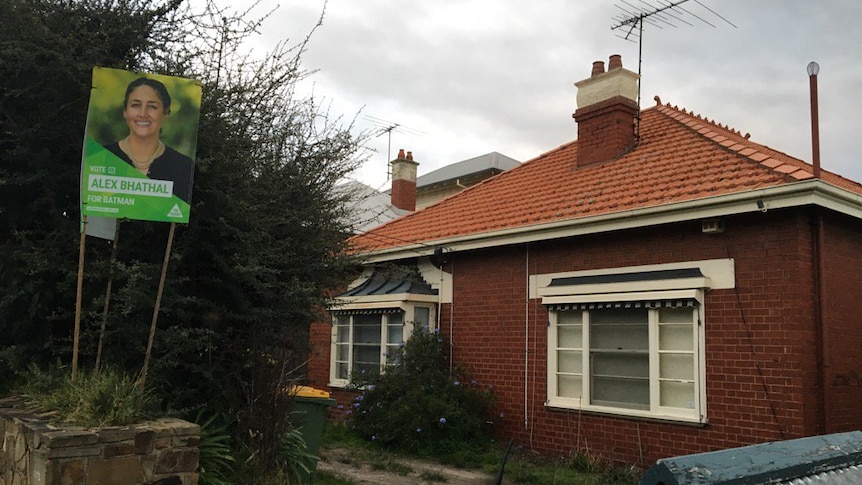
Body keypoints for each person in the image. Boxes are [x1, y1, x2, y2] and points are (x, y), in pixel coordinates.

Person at [104, 77, 195, 204]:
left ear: (166, 113)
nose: (143, 113)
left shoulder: (184, 167)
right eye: (136, 105)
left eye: (152, 106)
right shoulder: (101, 158)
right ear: (125, 111)